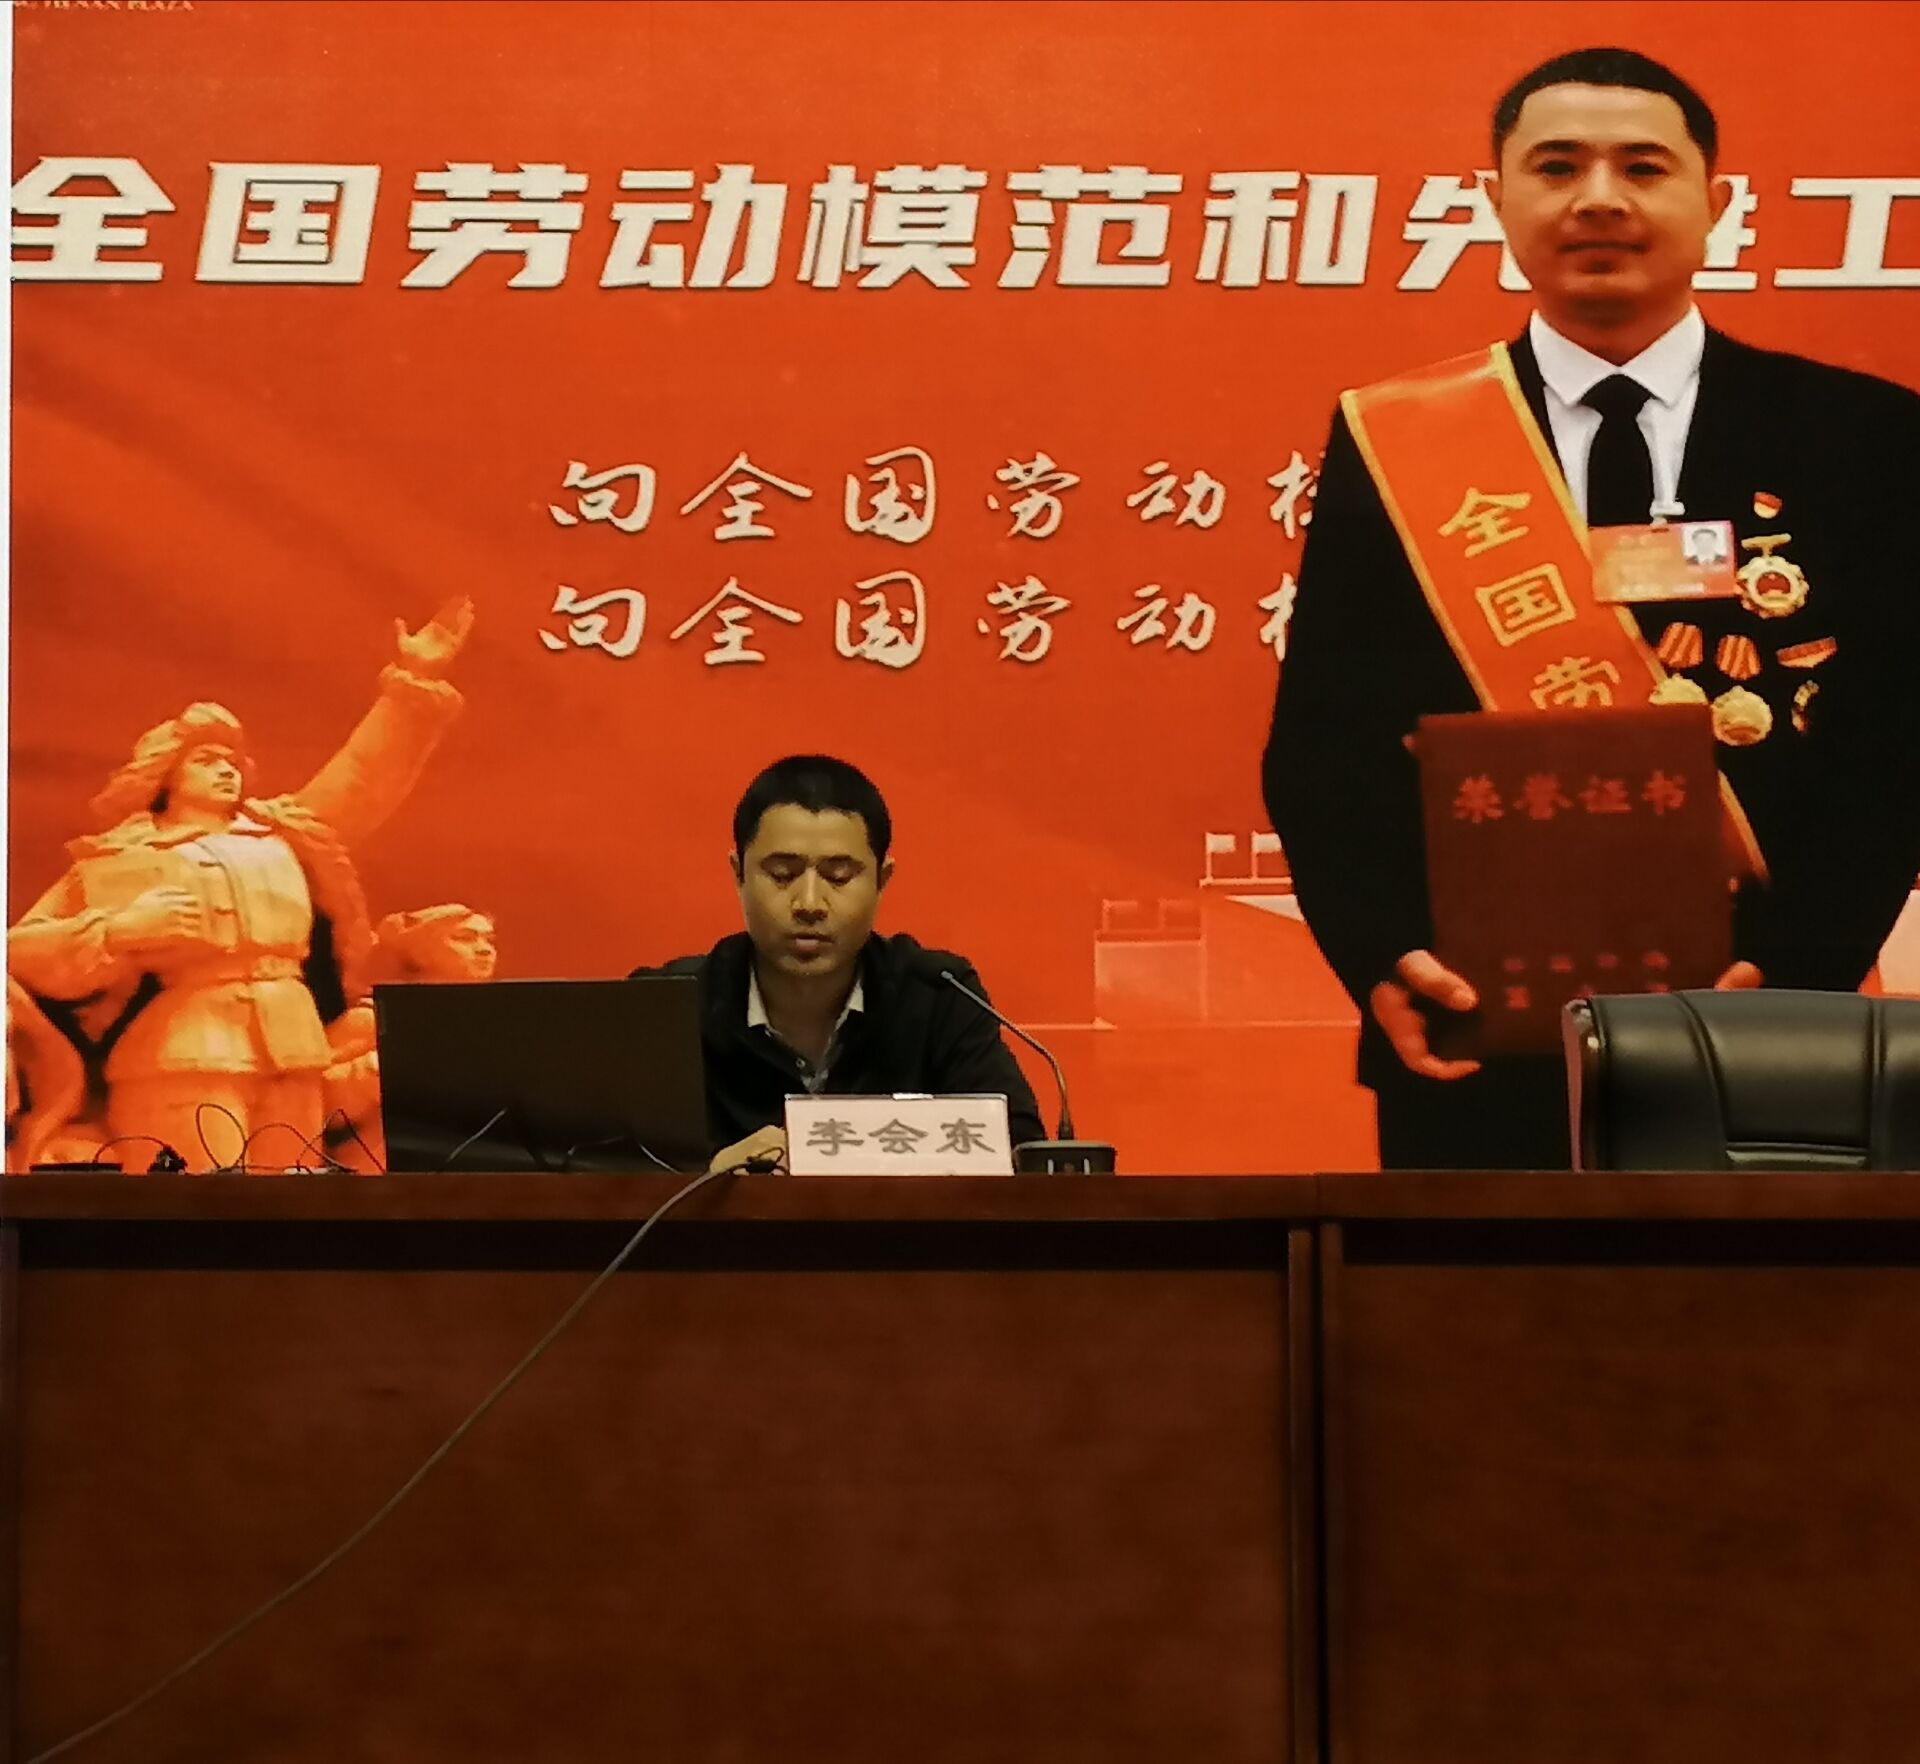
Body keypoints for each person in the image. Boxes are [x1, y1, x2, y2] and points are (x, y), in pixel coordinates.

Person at [1262, 47, 1920, 1169]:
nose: (1600, 199)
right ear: (1497, 199)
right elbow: (1327, 745)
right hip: (1474, 1028)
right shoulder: (1400, 439)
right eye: (1558, 167)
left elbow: (1894, 739)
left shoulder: (1865, 437)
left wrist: (1795, 966)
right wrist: (1388, 958)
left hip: (1780, 1028)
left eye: (1643, 167)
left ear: (1718, 202)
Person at [8, 600, 475, 1170]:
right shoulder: (118, 857)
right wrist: (120, 930)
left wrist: (413, 683)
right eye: (207, 760)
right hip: (184, 1050)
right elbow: (21, 952)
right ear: (166, 774)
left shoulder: (285, 834)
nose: (227, 769)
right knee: (195, 1199)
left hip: (293, 1044)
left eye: (233, 761)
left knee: (292, 1200)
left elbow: (361, 777)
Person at [630, 754, 1046, 1172]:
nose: (809, 903)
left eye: (839, 876)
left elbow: (1023, 1154)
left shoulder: (938, 995)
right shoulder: (666, 1008)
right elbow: (606, 1167)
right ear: (738, 874)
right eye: (782, 874)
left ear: (882, 880)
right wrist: (707, 1178)